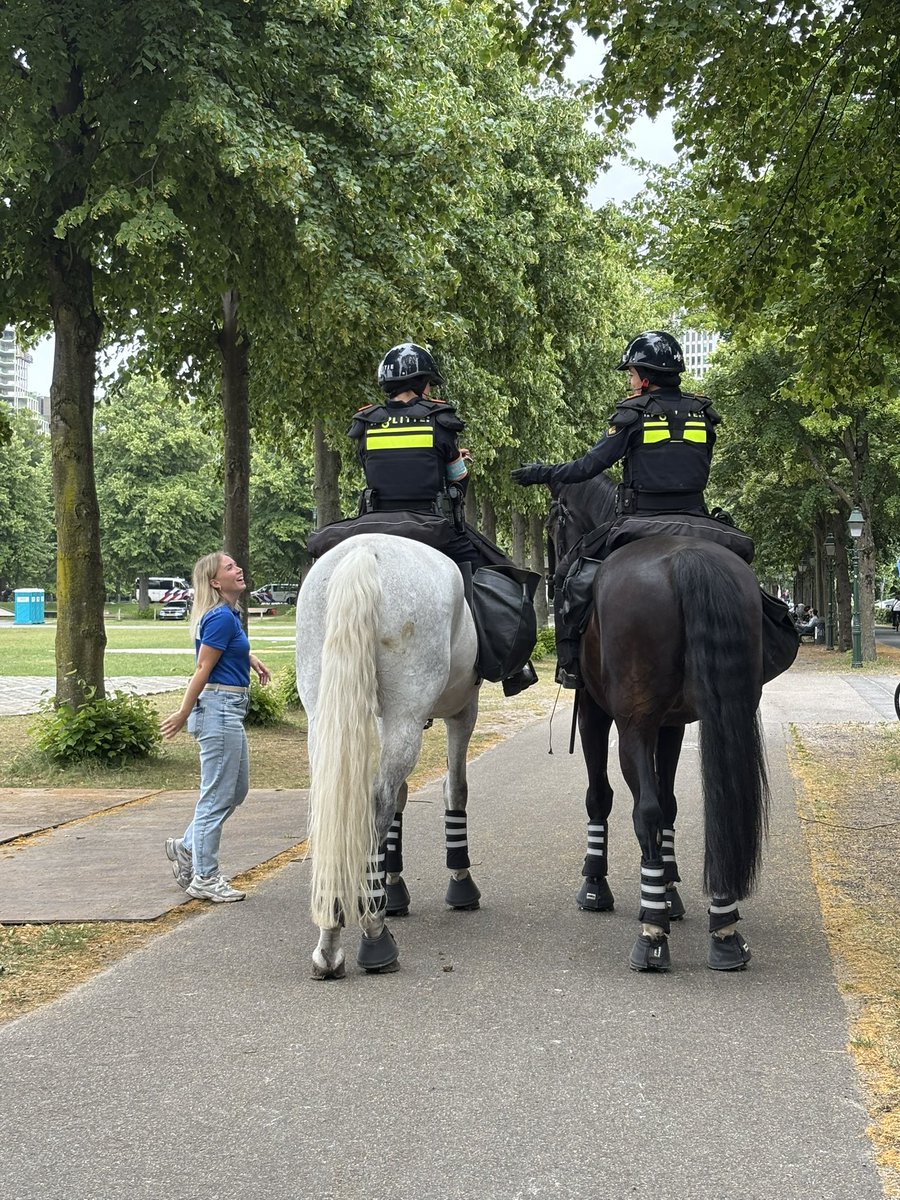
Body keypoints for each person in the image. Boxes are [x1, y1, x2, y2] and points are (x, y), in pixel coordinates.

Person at [511, 331, 721, 687]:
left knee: (569, 577)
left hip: (640, 520)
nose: (629, 379)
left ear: (646, 377)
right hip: (697, 517)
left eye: (631, 373)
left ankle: (571, 663)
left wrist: (542, 473)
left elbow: (588, 467)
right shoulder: (704, 414)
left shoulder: (632, 414)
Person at [349, 342, 537, 696]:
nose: (431, 391)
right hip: (430, 524)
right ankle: (508, 664)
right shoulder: (440, 421)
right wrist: (459, 463)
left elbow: (377, 471)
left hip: (375, 522)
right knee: (492, 568)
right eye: (429, 384)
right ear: (421, 384)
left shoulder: (366, 423)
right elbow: (455, 478)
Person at [161, 552, 271, 902]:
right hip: (218, 709)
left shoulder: (228, 615)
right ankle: (205, 877)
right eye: (229, 568)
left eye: (236, 565)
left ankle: (188, 846)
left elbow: (222, 652)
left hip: (229, 708)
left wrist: (250, 659)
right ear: (214, 581)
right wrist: (183, 712)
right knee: (216, 796)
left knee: (234, 791)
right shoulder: (221, 618)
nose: (238, 570)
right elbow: (202, 668)